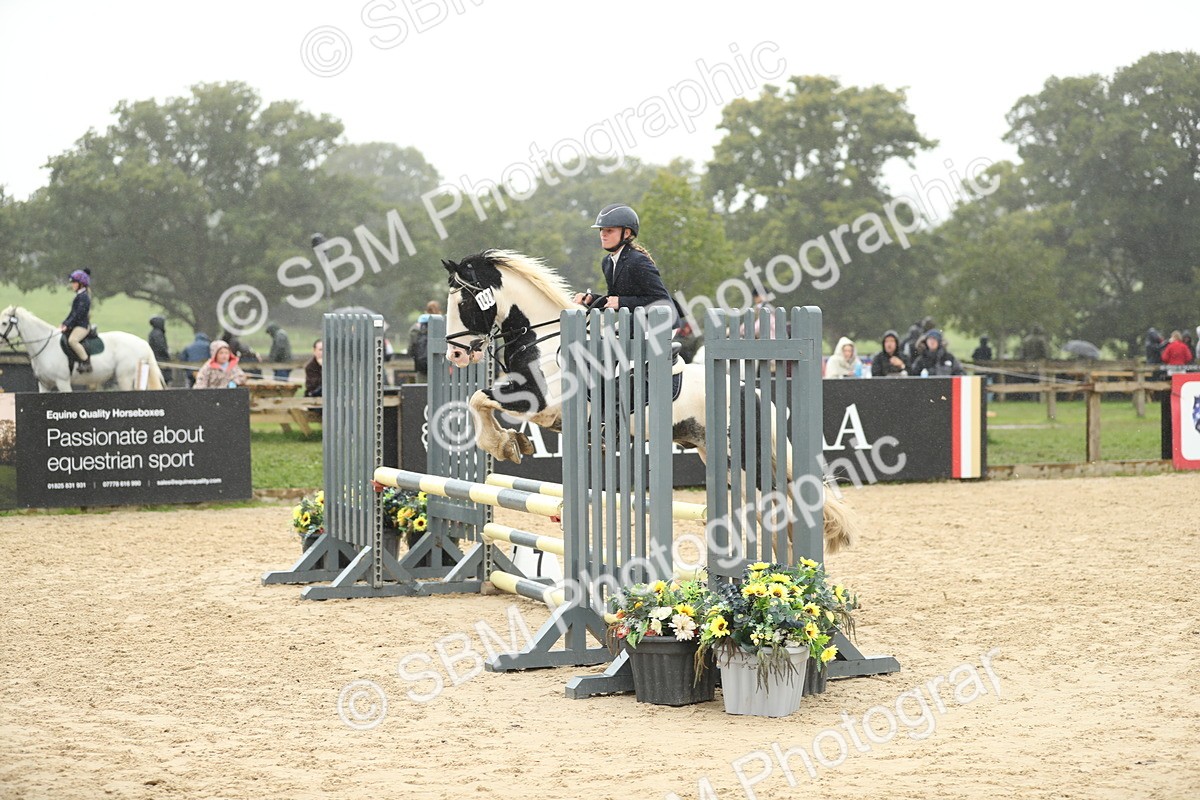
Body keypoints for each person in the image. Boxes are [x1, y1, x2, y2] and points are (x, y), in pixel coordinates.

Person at [572, 204, 673, 317]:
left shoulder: (638, 261)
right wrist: (591, 299)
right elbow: (612, 300)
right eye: (601, 229)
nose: (603, 234)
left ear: (626, 233)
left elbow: (662, 301)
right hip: (634, 323)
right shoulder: (608, 262)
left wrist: (621, 302)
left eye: (609, 230)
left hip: (660, 325)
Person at [59, 269, 92, 373]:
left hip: (82, 326)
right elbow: (72, 313)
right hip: (76, 325)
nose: (72, 285)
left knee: (72, 341)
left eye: (74, 282)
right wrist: (64, 323)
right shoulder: (79, 296)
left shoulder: (84, 297)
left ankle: (86, 362)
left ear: (81, 284)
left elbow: (78, 314)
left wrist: (68, 325)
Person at [408, 300, 441, 378]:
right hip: (440, 369)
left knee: (422, 389)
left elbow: (410, 349)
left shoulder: (416, 328)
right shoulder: (443, 325)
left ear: (426, 311)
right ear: (439, 311)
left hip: (421, 368)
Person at [148, 315, 172, 386]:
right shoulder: (158, 334)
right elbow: (161, 347)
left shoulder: (154, 333)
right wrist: (167, 354)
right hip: (160, 360)